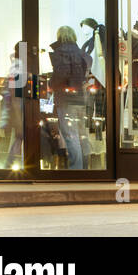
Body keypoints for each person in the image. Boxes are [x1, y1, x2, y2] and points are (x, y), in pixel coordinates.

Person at [48, 26, 91, 170]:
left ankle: (76, 169)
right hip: (81, 98)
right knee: (82, 134)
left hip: (65, 98)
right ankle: (85, 167)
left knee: (70, 135)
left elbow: (61, 75)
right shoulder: (81, 53)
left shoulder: (60, 53)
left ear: (60, 36)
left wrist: (50, 83)